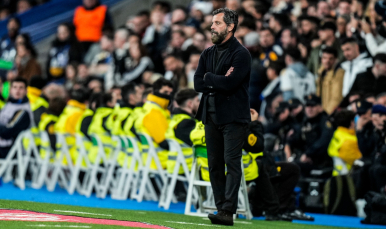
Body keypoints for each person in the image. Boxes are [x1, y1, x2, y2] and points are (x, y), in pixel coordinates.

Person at [194, 8, 251, 226]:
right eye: (213, 23)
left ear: (230, 27)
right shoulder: (207, 53)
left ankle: (228, 210)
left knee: (231, 162)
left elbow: (229, 83)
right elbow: (197, 83)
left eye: (217, 23)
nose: (212, 27)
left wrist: (210, 78)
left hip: (234, 117)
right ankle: (221, 209)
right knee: (215, 164)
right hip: (210, 114)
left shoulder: (241, 54)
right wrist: (213, 79)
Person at [288, 94, 334, 177]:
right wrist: (288, 141)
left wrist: (308, 154)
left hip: (322, 163)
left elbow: (324, 141)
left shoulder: (325, 122)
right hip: (307, 160)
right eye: (307, 106)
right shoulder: (306, 121)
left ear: (320, 107)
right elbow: (297, 139)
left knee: (292, 168)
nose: (309, 109)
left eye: (312, 106)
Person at [134, 78, 174, 169]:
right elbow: (164, 143)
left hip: (152, 159)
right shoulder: (154, 112)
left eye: (170, 93)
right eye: (165, 92)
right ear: (154, 92)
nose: (168, 95)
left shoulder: (149, 107)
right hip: (163, 160)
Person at [165, 89, 199, 176]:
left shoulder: (175, 119)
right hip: (187, 167)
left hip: (176, 166)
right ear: (190, 104)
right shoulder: (187, 123)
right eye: (197, 100)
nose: (199, 103)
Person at [0, 78, 33, 158]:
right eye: (15, 87)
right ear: (10, 90)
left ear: (26, 91)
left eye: (21, 88)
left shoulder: (24, 110)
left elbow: (7, 131)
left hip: (13, 151)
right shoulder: (8, 105)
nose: (17, 91)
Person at [328, 109, 362, 176]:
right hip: (348, 177)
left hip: (337, 173)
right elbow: (358, 160)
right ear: (352, 123)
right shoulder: (350, 141)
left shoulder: (338, 133)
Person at [316, 47, 345, 114]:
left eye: (330, 58)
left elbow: (337, 98)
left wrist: (326, 113)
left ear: (335, 60)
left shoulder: (338, 73)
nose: (327, 61)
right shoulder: (321, 73)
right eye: (325, 58)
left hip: (331, 113)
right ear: (321, 59)